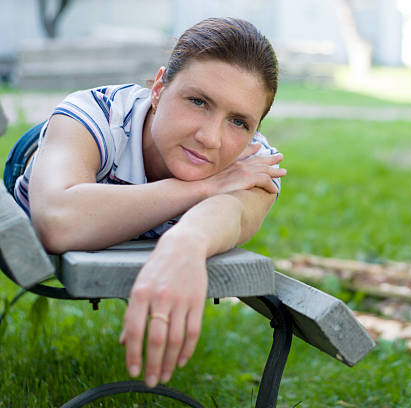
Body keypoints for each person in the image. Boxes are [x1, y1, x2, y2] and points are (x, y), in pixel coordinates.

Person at [8, 17, 286, 388]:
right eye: (198, 101)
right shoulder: (96, 113)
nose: (210, 138)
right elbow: (59, 220)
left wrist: (184, 243)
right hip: (47, 162)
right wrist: (203, 187)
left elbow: (233, 215)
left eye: (239, 121)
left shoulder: (252, 162)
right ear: (158, 88)